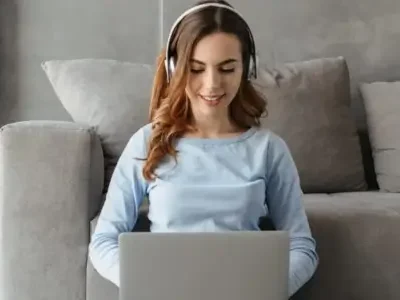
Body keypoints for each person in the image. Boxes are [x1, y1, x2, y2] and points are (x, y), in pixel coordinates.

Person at [89, 0, 319, 298]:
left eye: (227, 68)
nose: (212, 85)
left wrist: (263, 291)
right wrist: (151, 287)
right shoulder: (148, 142)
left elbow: (302, 247)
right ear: (176, 68)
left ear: (247, 68)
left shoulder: (269, 150)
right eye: (196, 69)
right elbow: (104, 241)